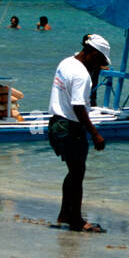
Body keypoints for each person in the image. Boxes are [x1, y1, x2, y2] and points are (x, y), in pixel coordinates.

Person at [47, 34, 111, 233]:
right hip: (70, 126)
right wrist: (95, 134)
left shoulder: (66, 62)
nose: (100, 66)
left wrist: (96, 72)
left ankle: (65, 214)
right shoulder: (81, 75)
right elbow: (79, 107)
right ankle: (76, 220)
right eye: (100, 60)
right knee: (77, 173)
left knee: (74, 172)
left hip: (55, 123)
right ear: (92, 54)